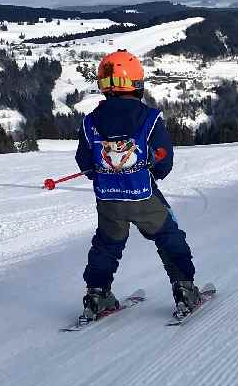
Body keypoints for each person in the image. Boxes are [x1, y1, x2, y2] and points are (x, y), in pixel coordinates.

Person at [76, 49, 202, 319]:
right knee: (168, 235)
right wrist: (151, 173)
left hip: (108, 200)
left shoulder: (90, 122)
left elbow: (84, 161)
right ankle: (184, 288)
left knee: (107, 244)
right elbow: (163, 158)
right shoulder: (149, 117)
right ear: (136, 82)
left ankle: (96, 295)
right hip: (142, 195)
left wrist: (102, 175)